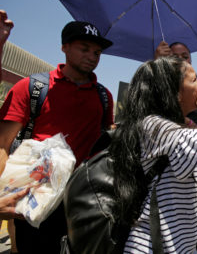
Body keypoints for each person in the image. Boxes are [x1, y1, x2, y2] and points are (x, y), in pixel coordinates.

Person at [0, 16, 114, 254]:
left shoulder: (104, 97)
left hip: (83, 202)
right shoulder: (32, 88)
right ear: (64, 47)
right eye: (84, 49)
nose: (92, 56)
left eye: (97, 52)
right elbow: (2, 144)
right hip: (36, 199)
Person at [110, 57, 197, 253]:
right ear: (174, 92)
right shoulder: (157, 126)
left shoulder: (173, 125)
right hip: (155, 244)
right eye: (194, 79)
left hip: (178, 241)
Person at [155, 40, 197, 254]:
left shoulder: (189, 101)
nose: (183, 60)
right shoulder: (162, 118)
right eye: (176, 58)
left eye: (186, 56)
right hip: (174, 184)